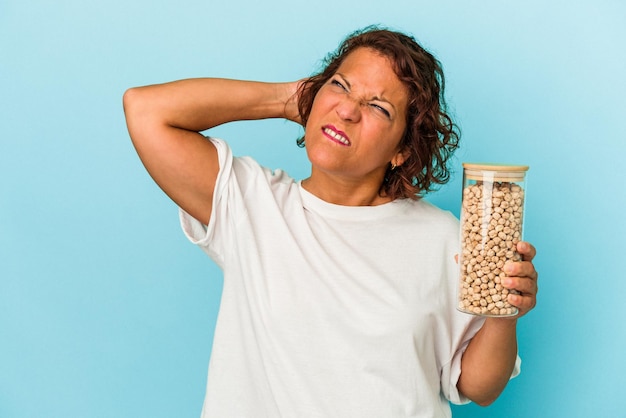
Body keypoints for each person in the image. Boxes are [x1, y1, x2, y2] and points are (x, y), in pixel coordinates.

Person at [123, 26, 538, 418]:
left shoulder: (445, 238)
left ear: (402, 151)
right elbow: (145, 110)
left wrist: (506, 313)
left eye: (378, 107)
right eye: (339, 85)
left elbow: (479, 386)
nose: (347, 111)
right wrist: (291, 100)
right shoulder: (252, 205)